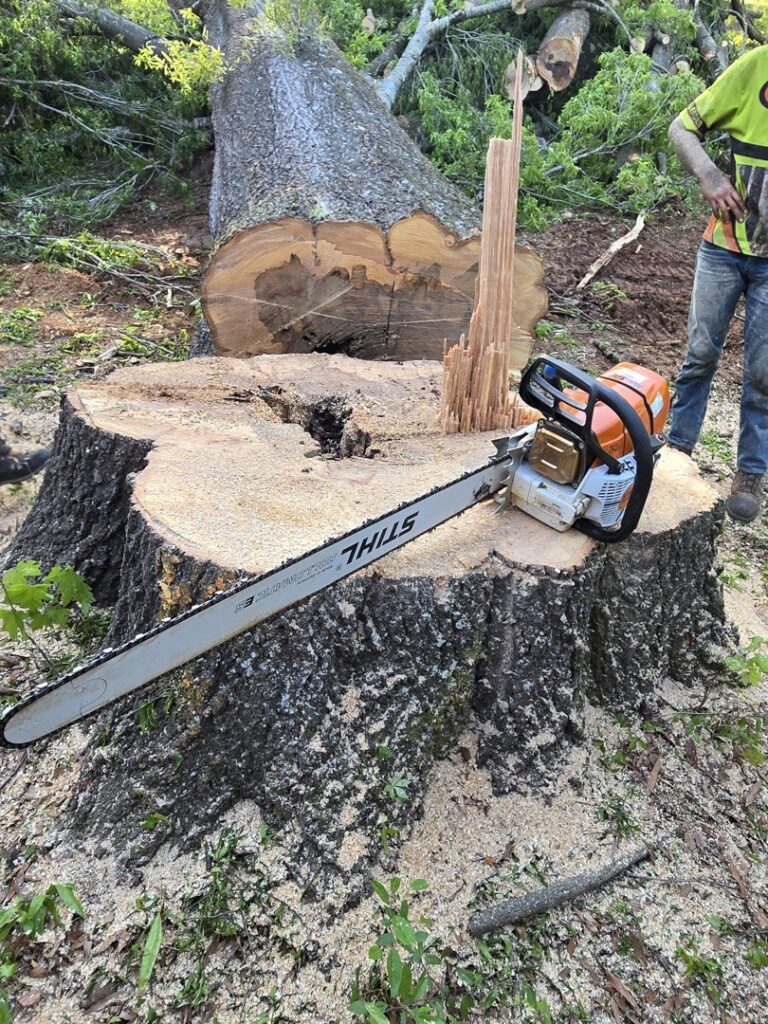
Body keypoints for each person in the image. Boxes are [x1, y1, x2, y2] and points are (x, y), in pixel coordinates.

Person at [666, 45, 768, 523]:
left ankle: (749, 474)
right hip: (724, 246)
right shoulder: (755, 66)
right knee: (700, 355)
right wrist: (708, 174)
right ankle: (676, 451)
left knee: (763, 374)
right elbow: (680, 127)